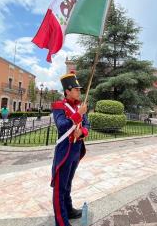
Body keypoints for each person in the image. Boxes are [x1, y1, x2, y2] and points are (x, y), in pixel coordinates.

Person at [51, 72, 89, 226]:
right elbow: (62, 126)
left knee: (68, 183)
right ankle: (61, 222)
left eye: (80, 90)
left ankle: (69, 209)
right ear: (67, 90)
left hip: (76, 150)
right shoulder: (58, 106)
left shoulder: (80, 106)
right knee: (59, 188)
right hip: (65, 151)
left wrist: (82, 132)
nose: (79, 92)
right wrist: (78, 115)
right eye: (76, 89)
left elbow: (87, 124)